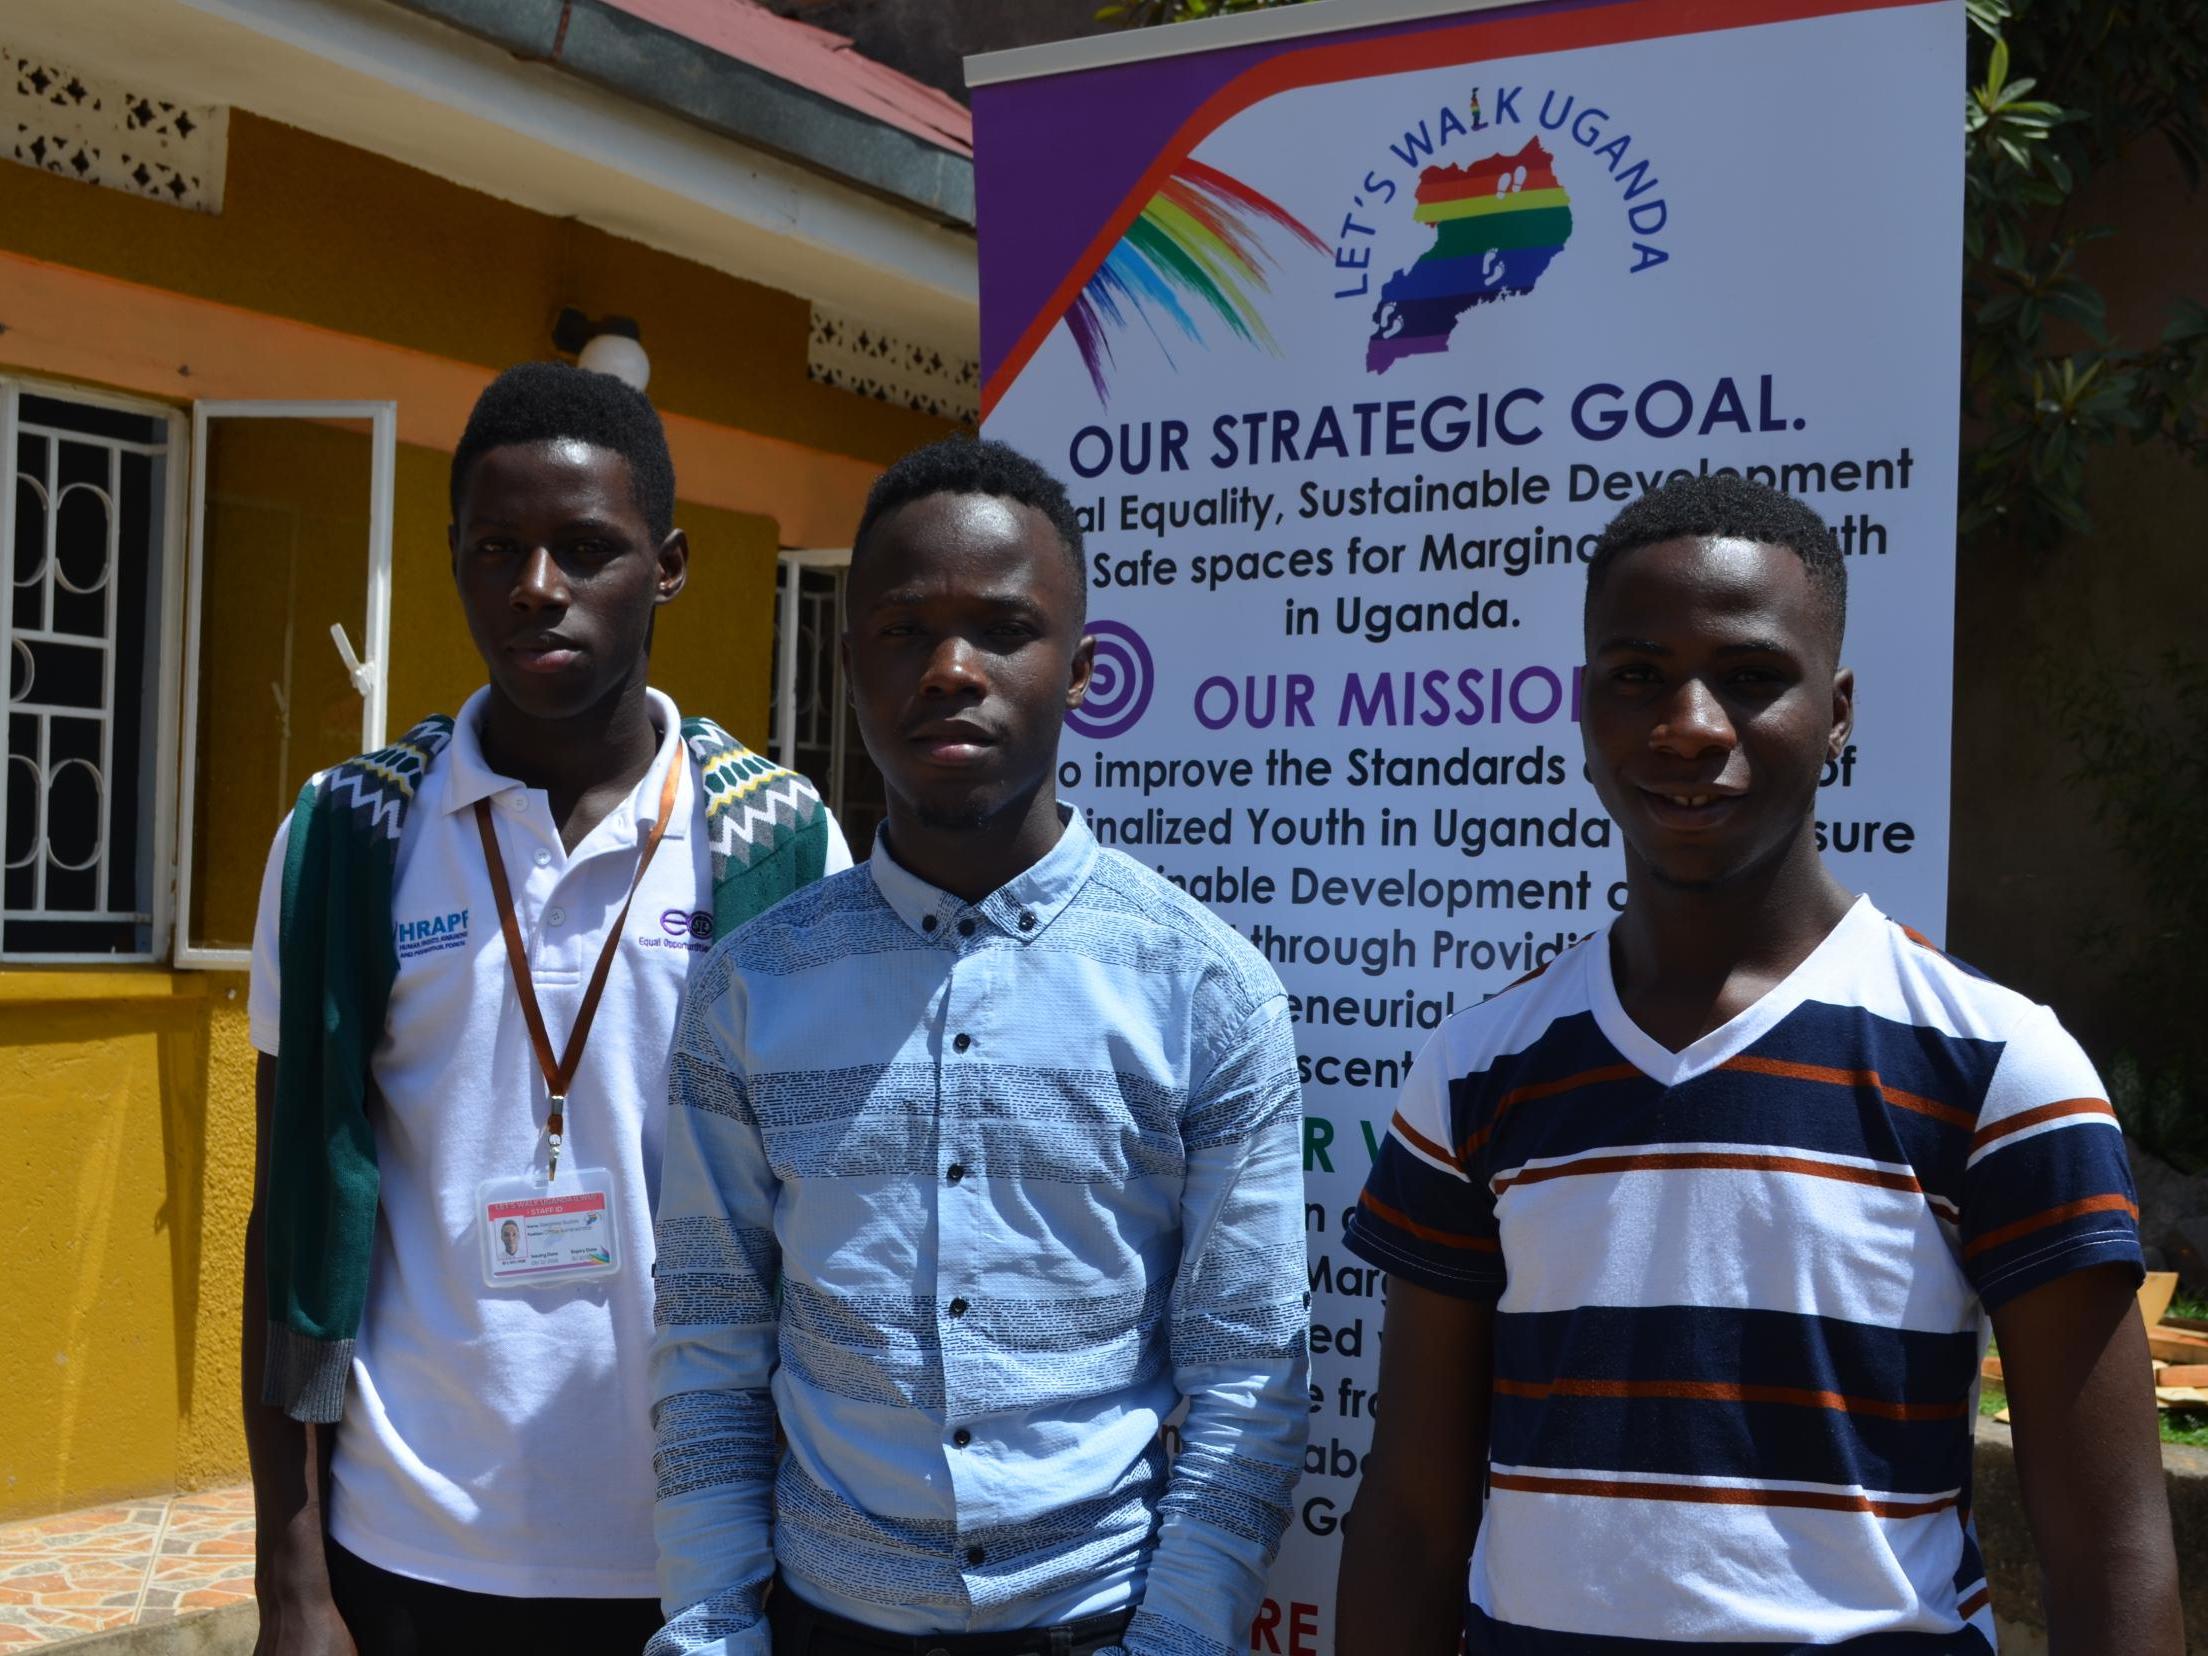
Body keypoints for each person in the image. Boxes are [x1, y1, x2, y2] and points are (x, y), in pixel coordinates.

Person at [1336, 473, 2182, 1653]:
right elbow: (1413, 1519)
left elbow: (2107, 1542)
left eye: (1750, 677)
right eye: (1638, 676)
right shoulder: (1479, 1071)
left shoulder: (1996, 1067)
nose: (1688, 723)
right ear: (1585, 711)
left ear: (1837, 713)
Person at [648, 436, 1311, 1656]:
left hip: (1097, 1623)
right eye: (904, 631)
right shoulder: (748, 992)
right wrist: (708, 1629)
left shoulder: (1206, 992)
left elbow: (1247, 1379)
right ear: (849, 664)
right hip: (819, 1623)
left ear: (1081, 670)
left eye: (1003, 630)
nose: (951, 670)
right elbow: (708, 1342)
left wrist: (1172, 1640)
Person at [243, 361, 849, 1656]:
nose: (536, 586)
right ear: (454, 561)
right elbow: (284, 1220)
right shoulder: (343, 835)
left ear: (669, 565)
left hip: (701, 1556)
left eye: (586, 549)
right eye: (496, 549)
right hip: (403, 1546)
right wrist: (289, 1578)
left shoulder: (783, 845)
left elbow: (842, 1219)